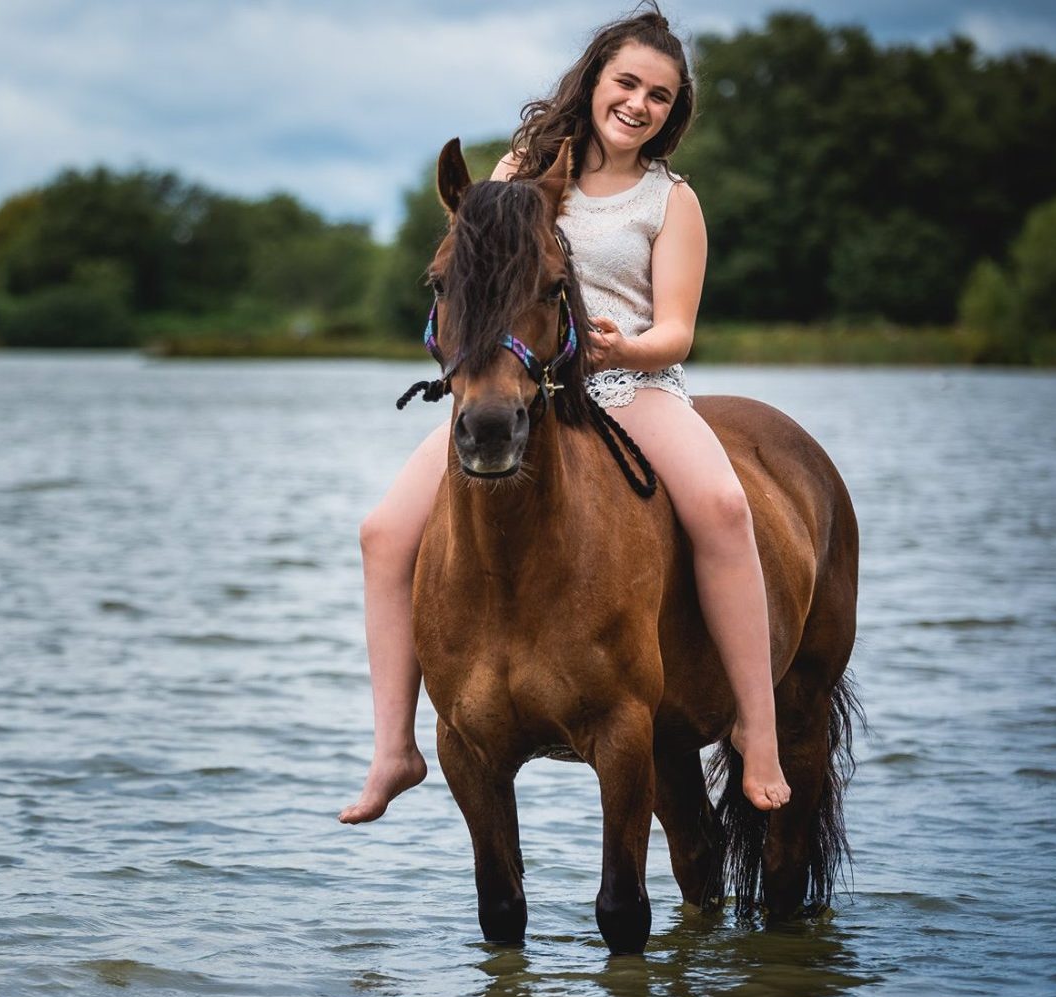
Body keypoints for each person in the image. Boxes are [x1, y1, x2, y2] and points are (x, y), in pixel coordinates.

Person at [338, 5, 792, 825]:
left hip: (628, 387)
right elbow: (482, 272)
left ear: (674, 112)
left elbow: (678, 329)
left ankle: (757, 733)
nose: (638, 104)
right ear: (594, 82)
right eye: (627, 83)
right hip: (525, 386)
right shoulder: (521, 170)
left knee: (726, 508)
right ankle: (394, 749)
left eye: (660, 95)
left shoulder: (671, 199)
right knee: (381, 533)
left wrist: (627, 349)